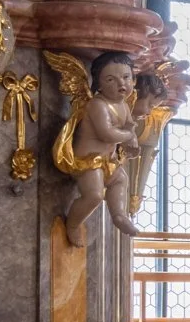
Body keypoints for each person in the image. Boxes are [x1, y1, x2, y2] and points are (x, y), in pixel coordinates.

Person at [57, 51, 142, 246]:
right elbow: (107, 133)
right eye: (111, 79)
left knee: (121, 179)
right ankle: (72, 224)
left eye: (126, 77)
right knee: (94, 195)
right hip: (88, 160)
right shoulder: (98, 105)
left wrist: (133, 141)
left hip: (107, 161)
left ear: (133, 79)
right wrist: (128, 136)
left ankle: (119, 215)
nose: (121, 84)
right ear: (99, 84)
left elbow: (129, 126)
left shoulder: (124, 106)